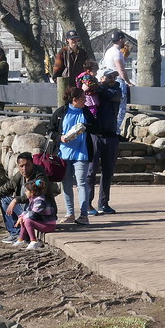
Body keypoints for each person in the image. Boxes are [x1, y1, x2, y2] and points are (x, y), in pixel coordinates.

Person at [48, 87, 97, 225]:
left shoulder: (86, 111)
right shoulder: (60, 112)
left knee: (82, 183)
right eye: (83, 98)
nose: (85, 100)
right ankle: (70, 213)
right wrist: (60, 137)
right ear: (74, 100)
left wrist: (85, 126)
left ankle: (84, 215)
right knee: (66, 184)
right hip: (64, 154)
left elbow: (96, 127)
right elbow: (50, 130)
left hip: (82, 153)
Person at [0, 152, 51, 243]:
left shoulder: (39, 174)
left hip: (39, 211)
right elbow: (1, 191)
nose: (24, 169)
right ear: (18, 166)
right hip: (26, 209)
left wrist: (16, 200)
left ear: (32, 164)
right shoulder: (19, 176)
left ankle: (25, 235)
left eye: (27, 165)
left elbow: (36, 193)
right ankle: (16, 233)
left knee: (19, 203)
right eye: (21, 166)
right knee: (4, 199)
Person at [85, 68, 122, 216]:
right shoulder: (94, 91)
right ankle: (87, 205)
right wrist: (91, 86)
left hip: (111, 136)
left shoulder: (117, 90)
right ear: (101, 78)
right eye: (109, 76)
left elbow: (111, 95)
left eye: (114, 76)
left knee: (108, 172)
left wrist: (98, 87)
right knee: (90, 172)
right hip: (95, 135)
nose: (112, 79)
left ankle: (104, 203)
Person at [100, 31, 133, 133]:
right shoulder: (117, 53)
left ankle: (111, 129)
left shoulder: (108, 51)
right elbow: (121, 70)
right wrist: (128, 82)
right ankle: (116, 131)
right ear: (120, 40)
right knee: (121, 108)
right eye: (123, 40)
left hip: (108, 81)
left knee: (112, 107)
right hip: (118, 80)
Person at [13, 178, 58, 250]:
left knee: (27, 220)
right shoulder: (33, 199)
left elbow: (34, 214)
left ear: (32, 192)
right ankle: (21, 239)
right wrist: (22, 216)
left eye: (26, 191)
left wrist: (23, 217)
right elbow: (28, 211)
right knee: (24, 219)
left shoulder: (40, 201)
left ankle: (33, 241)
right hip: (43, 222)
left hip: (48, 225)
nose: (25, 192)